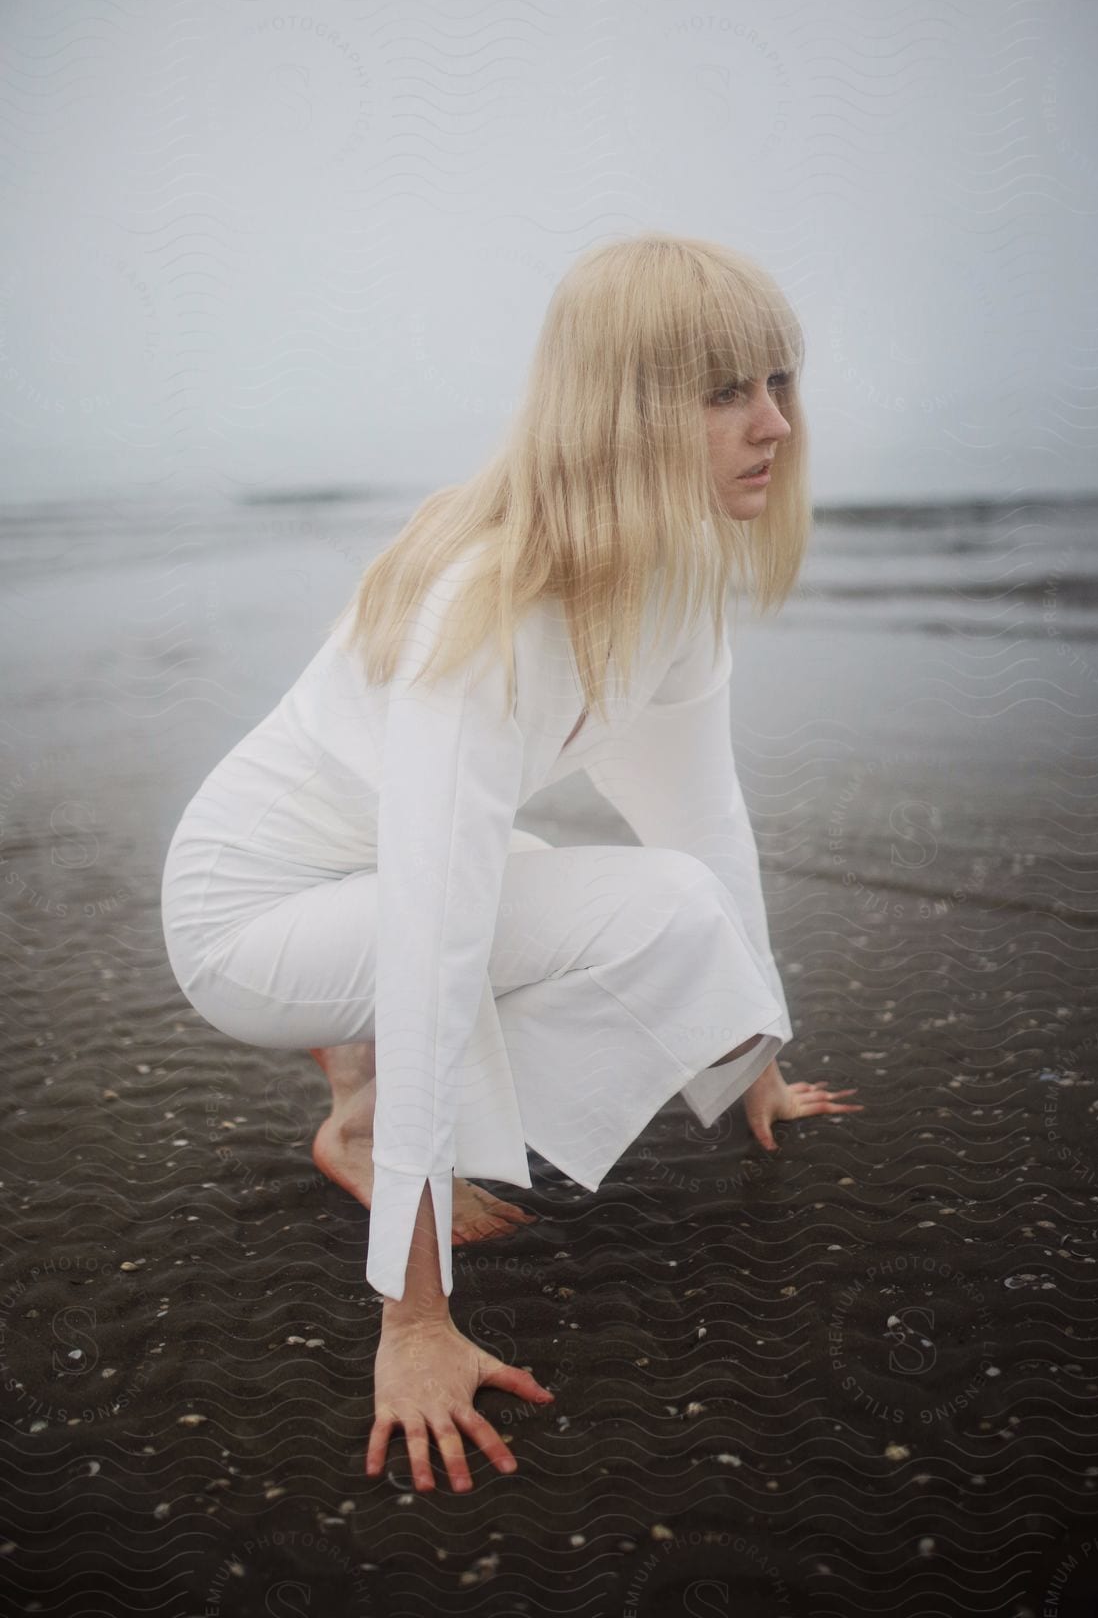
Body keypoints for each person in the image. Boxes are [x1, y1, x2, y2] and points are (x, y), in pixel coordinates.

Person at [159, 231, 862, 1496]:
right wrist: (415, 1324)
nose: (774, 425)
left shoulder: (674, 579)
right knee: (598, 909)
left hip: (365, 881)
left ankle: (356, 1098)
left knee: (635, 883)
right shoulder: (496, 604)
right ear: (624, 412)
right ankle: (363, 1090)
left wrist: (751, 1052)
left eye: (780, 384)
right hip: (248, 923)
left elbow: (704, 818)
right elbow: (435, 936)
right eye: (724, 392)